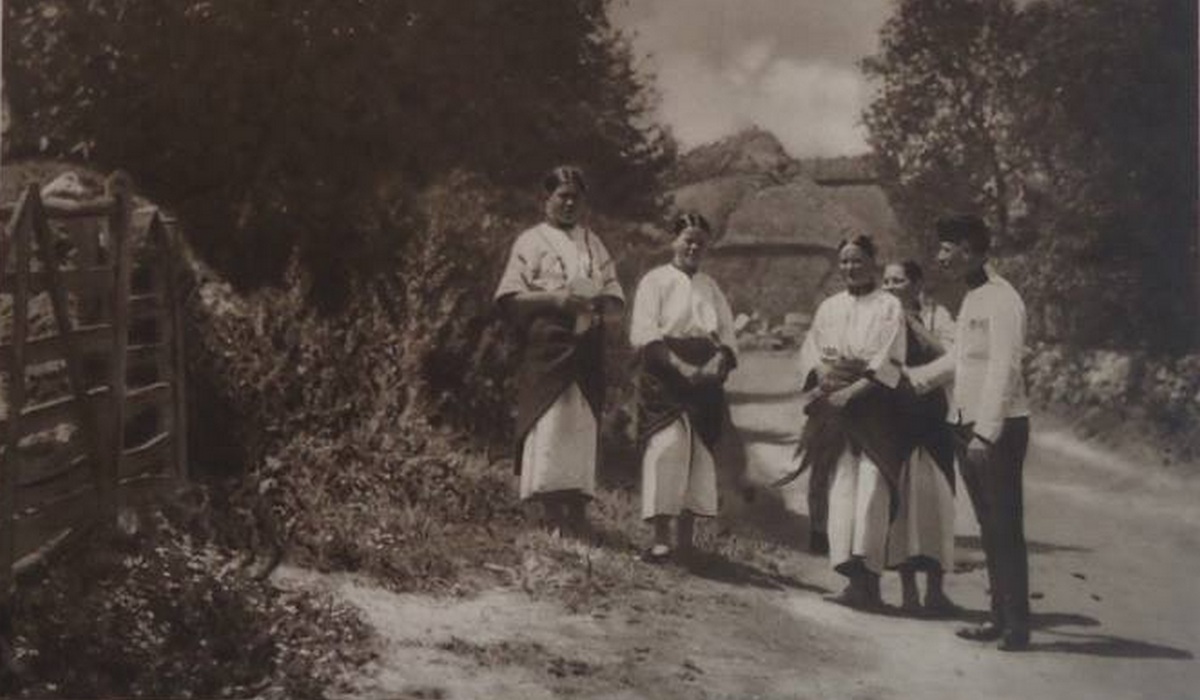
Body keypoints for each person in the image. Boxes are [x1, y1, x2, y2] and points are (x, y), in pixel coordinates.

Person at [908, 214, 1032, 651]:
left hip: (995, 429)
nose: (940, 256)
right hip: (964, 423)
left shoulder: (1003, 299)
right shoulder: (973, 297)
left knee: (1005, 526)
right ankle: (998, 617)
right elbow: (961, 359)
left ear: (969, 249)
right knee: (988, 526)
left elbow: (1005, 367)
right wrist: (913, 379)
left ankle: (1017, 625)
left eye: (947, 248)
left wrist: (987, 432)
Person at [494, 165, 625, 537]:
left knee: (581, 422)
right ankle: (548, 510)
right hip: (548, 342)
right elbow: (510, 297)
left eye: (575, 198)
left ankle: (576, 509)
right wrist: (555, 299)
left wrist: (599, 304)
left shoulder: (592, 242)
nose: (569, 204)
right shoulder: (531, 241)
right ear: (546, 199)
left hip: (587, 343)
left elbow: (614, 292)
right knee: (549, 421)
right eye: (562, 196)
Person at [792, 235, 908, 609]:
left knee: (873, 489)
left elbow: (889, 360)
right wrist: (822, 381)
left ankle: (871, 581)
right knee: (842, 486)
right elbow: (812, 351)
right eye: (844, 261)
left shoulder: (889, 306)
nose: (850, 268)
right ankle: (852, 581)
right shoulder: (829, 307)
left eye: (857, 260)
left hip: (875, 406)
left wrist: (853, 391)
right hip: (836, 405)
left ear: (873, 261)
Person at [629, 213, 738, 563]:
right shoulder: (655, 281)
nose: (693, 247)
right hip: (665, 374)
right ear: (674, 241)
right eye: (688, 240)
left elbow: (727, 332)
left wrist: (720, 358)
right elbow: (645, 332)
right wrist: (679, 366)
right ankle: (661, 538)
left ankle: (687, 542)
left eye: (700, 243)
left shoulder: (710, 286)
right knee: (667, 448)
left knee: (698, 453)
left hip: (705, 378)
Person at [881, 260, 958, 616]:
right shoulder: (880, 317)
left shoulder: (937, 316)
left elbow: (952, 357)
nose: (890, 287)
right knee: (901, 501)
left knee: (938, 501)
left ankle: (936, 592)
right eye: (886, 281)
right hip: (897, 417)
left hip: (934, 418)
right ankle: (908, 592)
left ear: (915, 284)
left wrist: (911, 324)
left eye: (898, 281)